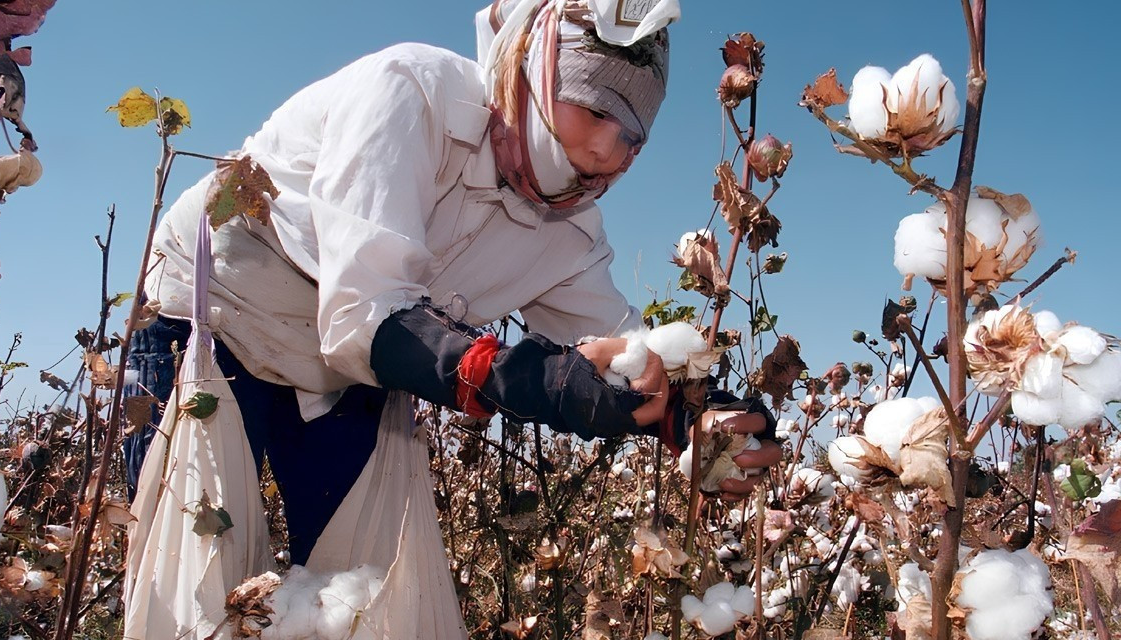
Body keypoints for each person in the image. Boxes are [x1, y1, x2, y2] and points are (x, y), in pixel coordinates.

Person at [125, 0, 781, 567]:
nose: (608, 151)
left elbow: (629, 357)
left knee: (346, 594)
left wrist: (705, 416)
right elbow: (364, 316)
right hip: (214, 314)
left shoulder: (572, 235)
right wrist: (539, 382)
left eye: (633, 134)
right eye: (591, 107)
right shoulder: (410, 92)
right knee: (192, 567)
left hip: (348, 371)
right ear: (532, 67)